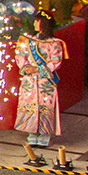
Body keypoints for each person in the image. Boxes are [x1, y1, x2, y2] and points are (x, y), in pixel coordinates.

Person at [13, 16, 65, 166]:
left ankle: (44, 135)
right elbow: (20, 55)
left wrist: (39, 69)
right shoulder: (27, 40)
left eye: (38, 21)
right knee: (29, 103)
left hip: (45, 80)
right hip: (30, 80)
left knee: (45, 105)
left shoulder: (54, 44)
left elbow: (56, 61)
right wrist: (26, 67)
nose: (35, 23)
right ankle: (31, 132)